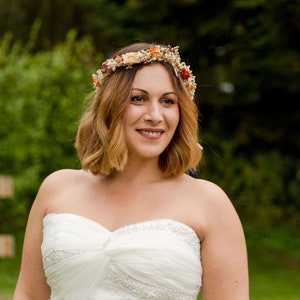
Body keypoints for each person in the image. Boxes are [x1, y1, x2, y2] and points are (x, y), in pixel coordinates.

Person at [13, 43, 249, 300]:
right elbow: (27, 294)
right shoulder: (56, 189)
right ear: (110, 106)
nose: (155, 115)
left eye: (168, 101)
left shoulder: (209, 202)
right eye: (138, 98)